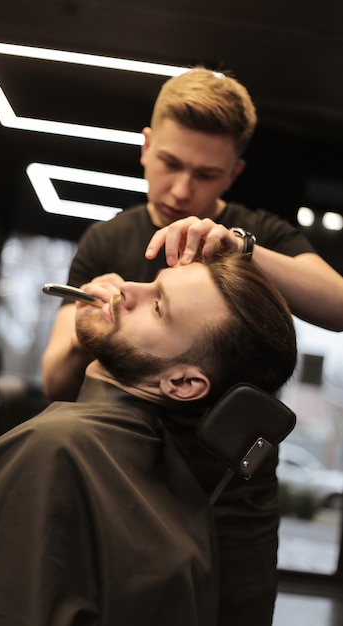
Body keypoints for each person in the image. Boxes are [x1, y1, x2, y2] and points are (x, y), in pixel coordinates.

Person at [41, 66, 343, 626]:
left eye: (206, 174)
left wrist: (242, 250)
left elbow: (339, 304)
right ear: (146, 146)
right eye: (170, 164)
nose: (182, 191)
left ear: (234, 172)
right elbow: (55, 379)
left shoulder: (258, 236)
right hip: (119, 491)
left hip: (234, 505)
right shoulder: (107, 240)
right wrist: (94, 325)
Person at [0, 256, 296, 626]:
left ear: (182, 383)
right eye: (152, 281)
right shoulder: (182, 492)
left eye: (157, 306)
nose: (127, 288)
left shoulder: (58, 447)